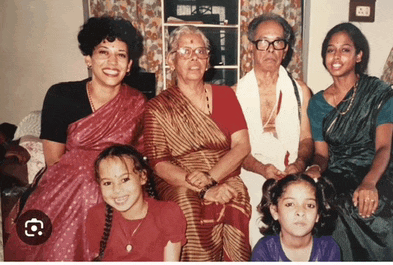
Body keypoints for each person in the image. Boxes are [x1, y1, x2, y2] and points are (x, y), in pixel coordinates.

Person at [4, 16, 146, 261]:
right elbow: (54, 162)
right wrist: (92, 175)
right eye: (104, 52)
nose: (113, 61)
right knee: (85, 184)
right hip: (67, 187)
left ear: (130, 64)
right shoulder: (61, 95)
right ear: (88, 59)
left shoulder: (137, 102)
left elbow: (139, 156)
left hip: (120, 185)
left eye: (121, 55)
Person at [144, 25, 252, 261]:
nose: (194, 58)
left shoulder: (226, 96)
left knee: (236, 194)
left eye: (201, 52)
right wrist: (203, 189)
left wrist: (211, 178)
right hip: (179, 178)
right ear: (171, 60)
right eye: (185, 51)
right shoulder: (156, 108)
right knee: (185, 202)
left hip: (221, 172)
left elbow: (242, 146)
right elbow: (159, 163)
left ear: (208, 60)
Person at [306, 22, 393, 261]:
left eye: (345, 50)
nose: (336, 56)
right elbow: (322, 154)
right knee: (320, 202)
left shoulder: (379, 93)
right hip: (339, 171)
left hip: (377, 170)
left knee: (377, 211)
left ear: (358, 56)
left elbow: (384, 147)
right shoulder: (317, 103)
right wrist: (315, 167)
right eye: (330, 50)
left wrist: (369, 182)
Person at [235, 13, 313, 247]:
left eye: (277, 42)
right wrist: (262, 169)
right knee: (255, 222)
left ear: (285, 49)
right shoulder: (234, 93)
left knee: (302, 210)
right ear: (252, 47)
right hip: (251, 170)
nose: (270, 49)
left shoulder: (300, 91)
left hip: (292, 169)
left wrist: (299, 165)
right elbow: (235, 150)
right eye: (263, 42)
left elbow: (307, 139)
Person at [86, 144, 186, 261]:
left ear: (143, 177)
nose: (117, 190)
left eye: (124, 180)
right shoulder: (96, 216)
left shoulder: (167, 214)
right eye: (108, 183)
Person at [251, 174, 340, 261]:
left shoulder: (328, 248)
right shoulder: (264, 250)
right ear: (275, 211)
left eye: (309, 205)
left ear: (318, 214)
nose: (301, 212)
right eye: (290, 204)